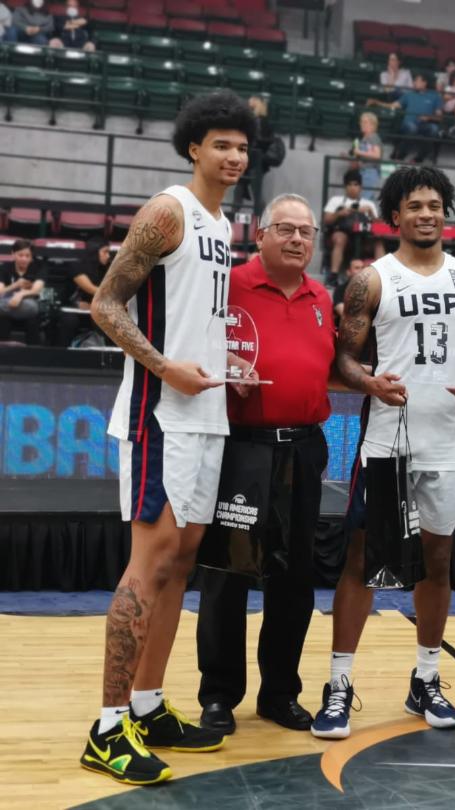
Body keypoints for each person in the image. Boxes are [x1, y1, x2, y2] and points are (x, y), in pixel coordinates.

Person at [83, 90, 255, 785]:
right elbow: (105, 303)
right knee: (147, 567)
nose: (234, 157)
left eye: (242, 147)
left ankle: (149, 707)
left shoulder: (223, 223)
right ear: (193, 147)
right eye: (221, 144)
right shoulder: (169, 210)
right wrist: (165, 368)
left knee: (182, 565)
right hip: (160, 413)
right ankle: (106, 726)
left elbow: (190, 316)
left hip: (205, 414)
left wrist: (221, 363)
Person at [311, 166, 455, 738]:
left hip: (446, 441)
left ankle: (427, 679)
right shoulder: (371, 281)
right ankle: (339, 683)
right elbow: (342, 358)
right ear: (395, 215)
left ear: (447, 211)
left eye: (436, 204)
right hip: (387, 441)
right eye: (415, 205)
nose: (427, 213)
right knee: (364, 563)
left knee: (438, 561)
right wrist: (367, 384)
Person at [196, 194, 335, 735]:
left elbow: (326, 366)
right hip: (241, 447)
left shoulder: (322, 296)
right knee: (228, 574)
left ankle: (280, 692)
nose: (298, 239)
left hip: (304, 447)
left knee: (294, 576)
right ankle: (219, 695)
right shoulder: (226, 286)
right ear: (261, 235)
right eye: (286, 229)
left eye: (307, 232)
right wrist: (225, 360)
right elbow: (184, 341)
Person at [369, 73, 442, 163]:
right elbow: (393, 105)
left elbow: (439, 117)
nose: (414, 83)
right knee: (412, 128)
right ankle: (402, 153)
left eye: (417, 81)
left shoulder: (435, 96)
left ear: (424, 83)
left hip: (425, 125)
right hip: (409, 124)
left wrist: (429, 117)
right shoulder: (409, 94)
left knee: (434, 129)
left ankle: (421, 156)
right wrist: (377, 102)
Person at [323, 169, 378, 282]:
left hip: (365, 236)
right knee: (340, 238)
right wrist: (340, 213)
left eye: (356, 184)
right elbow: (326, 220)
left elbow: (380, 227)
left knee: (379, 241)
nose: (352, 187)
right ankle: (334, 275)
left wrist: (370, 213)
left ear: (361, 187)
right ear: (345, 186)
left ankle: (381, 276)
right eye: (349, 184)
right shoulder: (336, 200)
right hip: (343, 232)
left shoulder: (368, 204)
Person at [58, 237, 110, 347]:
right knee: (70, 321)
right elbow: (90, 288)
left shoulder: (105, 270)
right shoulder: (77, 266)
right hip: (71, 306)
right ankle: (64, 354)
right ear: (94, 252)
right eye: (105, 252)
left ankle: (108, 354)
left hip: (94, 308)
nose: (108, 256)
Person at [0, 238, 45, 344]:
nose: (24, 259)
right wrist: (15, 285)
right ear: (13, 254)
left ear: (31, 257)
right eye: (20, 255)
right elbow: (1, 291)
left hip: (27, 305)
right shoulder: (4, 268)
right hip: (7, 304)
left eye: (27, 256)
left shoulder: (39, 267)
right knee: (3, 320)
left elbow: (36, 290)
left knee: (32, 310)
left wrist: (20, 294)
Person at [347, 112, 383, 200]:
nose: (362, 124)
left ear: (372, 124)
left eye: (365, 122)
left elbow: (377, 155)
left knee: (364, 199)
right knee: (366, 198)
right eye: (361, 122)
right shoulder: (365, 138)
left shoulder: (372, 137)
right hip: (364, 171)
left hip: (369, 172)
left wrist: (358, 152)